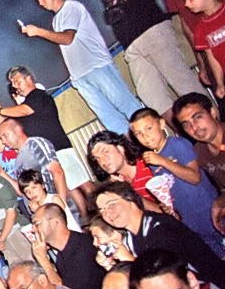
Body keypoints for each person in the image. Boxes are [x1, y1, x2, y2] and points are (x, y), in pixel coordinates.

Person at [72, 0, 205, 124]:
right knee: (150, 95)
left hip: (152, 30)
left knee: (180, 80)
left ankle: (212, 122)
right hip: (131, 43)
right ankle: (186, 134)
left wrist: (177, 1)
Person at [21, 0, 141, 133]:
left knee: (128, 106)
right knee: (110, 119)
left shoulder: (71, 7)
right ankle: (130, 146)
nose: (40, 2)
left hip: (97, 66)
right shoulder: (56, 20)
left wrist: (39, 32)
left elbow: (67, 39)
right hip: (80, 76)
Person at [0, 66, 95, 215]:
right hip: (47, 153)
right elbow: (11, 125)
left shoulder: (38, 96)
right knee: (69, 187)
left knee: (83, 183)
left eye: (18, 81)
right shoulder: (25, 106)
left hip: (58, 147)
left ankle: (103, 206)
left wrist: (0, 109)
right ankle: (86, 217)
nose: (15, 86)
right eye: (13, 84)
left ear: (29, 79)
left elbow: (25, 110)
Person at [93, 181, 225, 284]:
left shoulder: (160, 228)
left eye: (111, 205)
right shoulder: (131, 238)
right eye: (102, 211)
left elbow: (163, 281)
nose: (107, 213)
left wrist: (127, 260)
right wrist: (112, 266)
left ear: (130, 200)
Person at [129, 107, 222, 253]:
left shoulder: (177, 144)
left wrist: (163, 161)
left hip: (210, 212)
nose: (145, 136)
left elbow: (195, 177)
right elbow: (170, 186)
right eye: (139, 134)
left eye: (149, 128)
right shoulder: (152, 160)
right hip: (190, 221)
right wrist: (168, 206)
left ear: (161, 124)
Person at [173, 92, 225, 233]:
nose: (194, 128)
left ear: (213, 112)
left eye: (198, 117)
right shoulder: (199, 152)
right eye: (186, 125)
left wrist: (218, 203)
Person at [86, 130, 161, 212]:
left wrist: (128, 192)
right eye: (97, 158)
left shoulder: (151, 166)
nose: (103, 162)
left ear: (121, 148)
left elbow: (165, 212)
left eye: (106, 152)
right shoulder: (115, 183)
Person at [179, 0, 225, 101]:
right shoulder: (200, 29)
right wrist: (220, 82)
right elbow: (212, 58)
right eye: (185, 0)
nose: (186, 4)